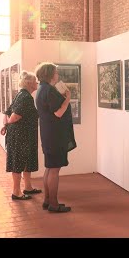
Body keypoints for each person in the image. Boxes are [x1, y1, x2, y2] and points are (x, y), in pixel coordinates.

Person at [35, 62, 76, 213]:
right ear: (50, 74)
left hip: (48, 134)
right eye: (56, 72)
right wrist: (68, 98)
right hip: (55, 135)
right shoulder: (49, 90)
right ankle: (53, 203)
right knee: (54, 170)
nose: (58, 74)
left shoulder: (41, 89)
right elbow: (58, 113)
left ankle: (47, 201)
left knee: (50, 168)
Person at [1, 71, 42, 200]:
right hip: (20, 136)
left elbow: (7, 112)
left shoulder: (22, 94)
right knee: (18, 162)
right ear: (29, 83)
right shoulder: (25, 97)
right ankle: (16, 192)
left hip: (24, 135)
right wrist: (8, 123)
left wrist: (6, 125)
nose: (37, 83)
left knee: (26, 161)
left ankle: (28, 187)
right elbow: (14, 116)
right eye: (35, 81)